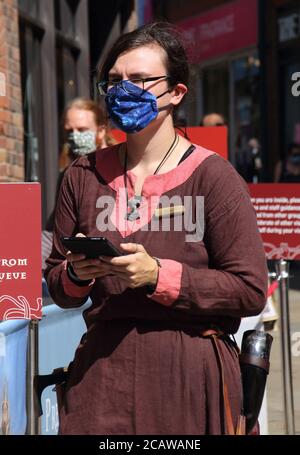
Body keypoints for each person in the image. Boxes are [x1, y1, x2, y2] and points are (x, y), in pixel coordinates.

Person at [45, 22, 268, 435]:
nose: (123, 89)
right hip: (102, 378)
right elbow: (58, 282)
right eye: (113, 80)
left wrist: (159, 276)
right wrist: (77, 273)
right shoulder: (82, 175)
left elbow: (250, 288)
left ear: (177, 92)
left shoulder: (213, 177)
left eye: (140, 79)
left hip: (187, 377)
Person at [42, 98, 115, 270]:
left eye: (82, 130)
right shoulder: (69, 174)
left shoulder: (122, 167)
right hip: (79, 270)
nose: (74, 136)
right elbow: (54, 231)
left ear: (101, 131)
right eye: (69, 131)